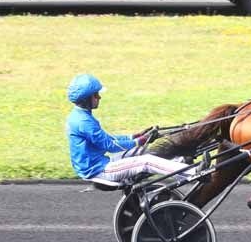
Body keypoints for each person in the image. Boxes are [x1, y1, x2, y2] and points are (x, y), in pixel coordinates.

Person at [66, 74, 196, 183]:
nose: (99, 97)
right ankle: (192, 172)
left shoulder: (80, 116)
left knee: (140, 151)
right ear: (86, 99)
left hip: (100, 163)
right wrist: (139, 141)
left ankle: (181, 164)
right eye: (96, 95)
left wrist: (135, 136)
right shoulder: (83, 122)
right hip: (99, 170)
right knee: (146, 161)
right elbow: (109, 145)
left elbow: (108, 138)